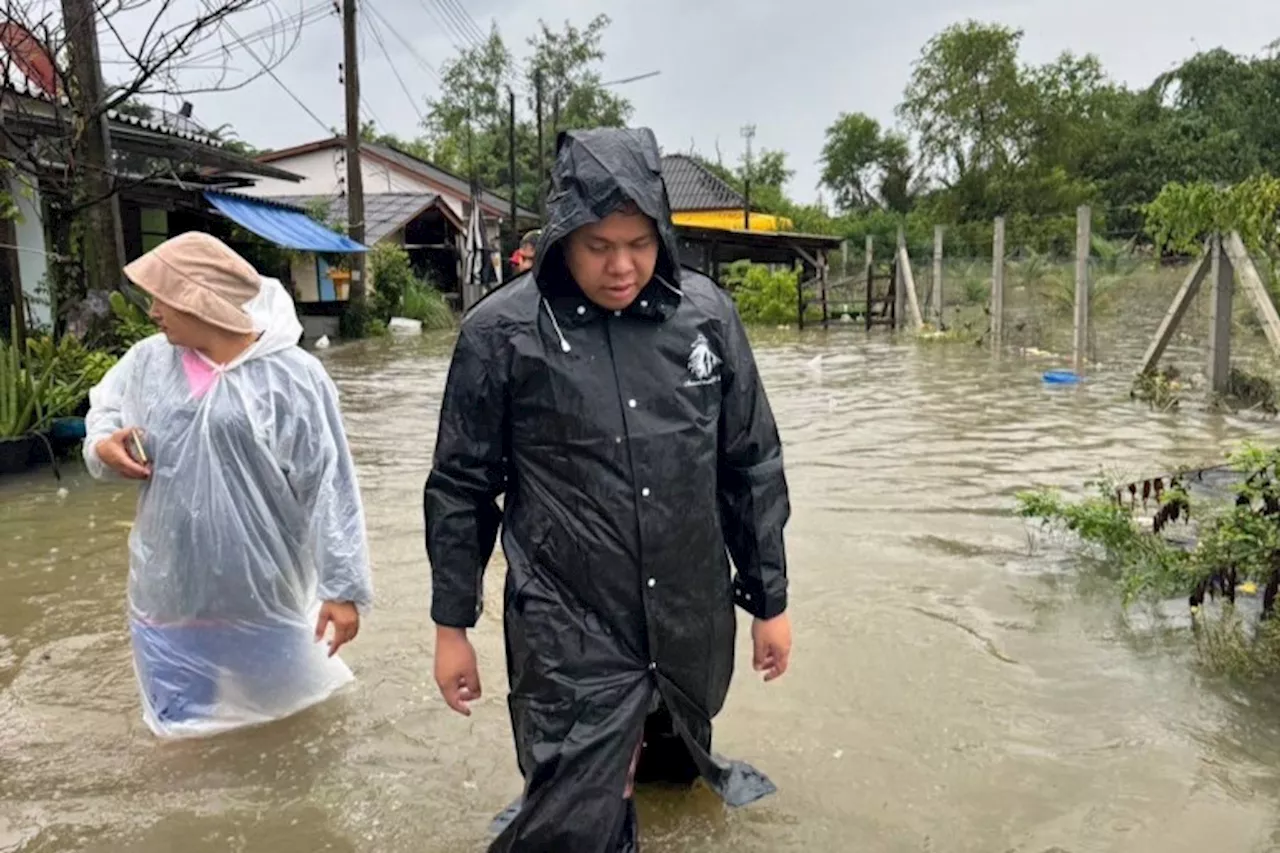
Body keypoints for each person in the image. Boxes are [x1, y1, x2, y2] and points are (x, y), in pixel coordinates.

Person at [424, 127, 792, 851]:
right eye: (599, 246)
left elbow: (749, 464)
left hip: (688, 601)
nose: (622, 266)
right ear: (562, 236)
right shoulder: (501, 333)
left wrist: (769, 601)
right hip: (568, 616)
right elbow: (462, 488)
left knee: (671, 770)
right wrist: (450, 627)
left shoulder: (707, 317)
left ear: (661, 233)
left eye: (639, 243)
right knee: (577, 816)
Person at [84, 231, 374, 739]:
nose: (152, 311)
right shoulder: (149, 363)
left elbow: (329, 485)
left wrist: (342, 589)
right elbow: (104, 412)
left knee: (292, 739)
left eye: (163, 297)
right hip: (169, 595)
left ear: (201, 300)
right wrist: (104, 445)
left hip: (259, 595)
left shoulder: (293, 377)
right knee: (177, 742)